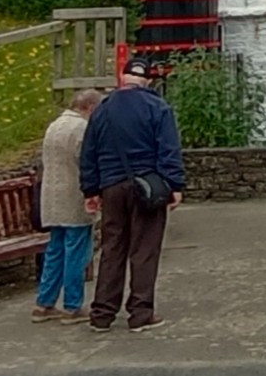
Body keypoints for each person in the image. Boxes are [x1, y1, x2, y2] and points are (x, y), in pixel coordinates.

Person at [81, 57, 186, 332]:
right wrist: (174, 185)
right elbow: (168, 150)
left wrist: (91, 190)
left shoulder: (102, 110)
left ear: (122, 77)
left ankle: (102, 314)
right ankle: (140, 314)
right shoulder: (159, 107)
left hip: (111, 186)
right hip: (147, 186)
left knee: (112, 249)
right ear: (149, 80)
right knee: (144, 250)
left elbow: (88, 153)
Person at [32, 89, 101, 322]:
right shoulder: (81, 129)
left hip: (51, 197)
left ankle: (44, 303)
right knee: (77, 252)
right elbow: (87, 162)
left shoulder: (54, 126)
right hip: (74, 196)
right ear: (91, 107)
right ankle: (73, 305)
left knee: (55, 250)